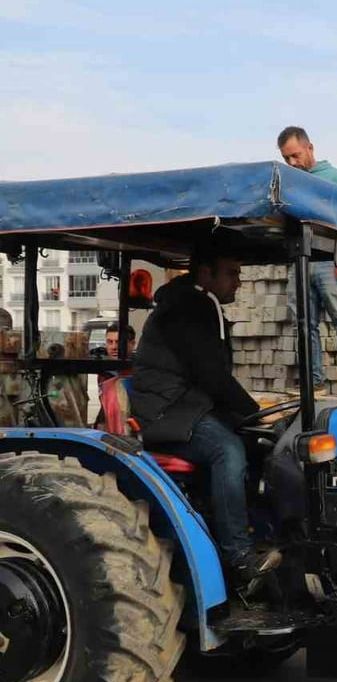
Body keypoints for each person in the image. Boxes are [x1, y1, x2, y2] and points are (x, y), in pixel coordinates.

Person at [129, 241, 281, 592]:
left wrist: (258, 420)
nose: (238, 282)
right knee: (226, 449)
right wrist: (258, 413)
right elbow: (212, 376)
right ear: (205, 273)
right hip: (165, 413)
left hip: (188, 405)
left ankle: (266, 532)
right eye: (231, 273)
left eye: (239, 274)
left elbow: (212, 379)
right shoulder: (186, 309)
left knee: (263, 444)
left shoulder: (198, 303)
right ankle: (238, 554)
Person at [277, 125, 337, 398]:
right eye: (287, 158)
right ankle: (312, 382)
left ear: (309, 148)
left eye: (295, 155)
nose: (293, 162)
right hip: (301, 262)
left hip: (331, 263)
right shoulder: (290, 184)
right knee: (304, 324)